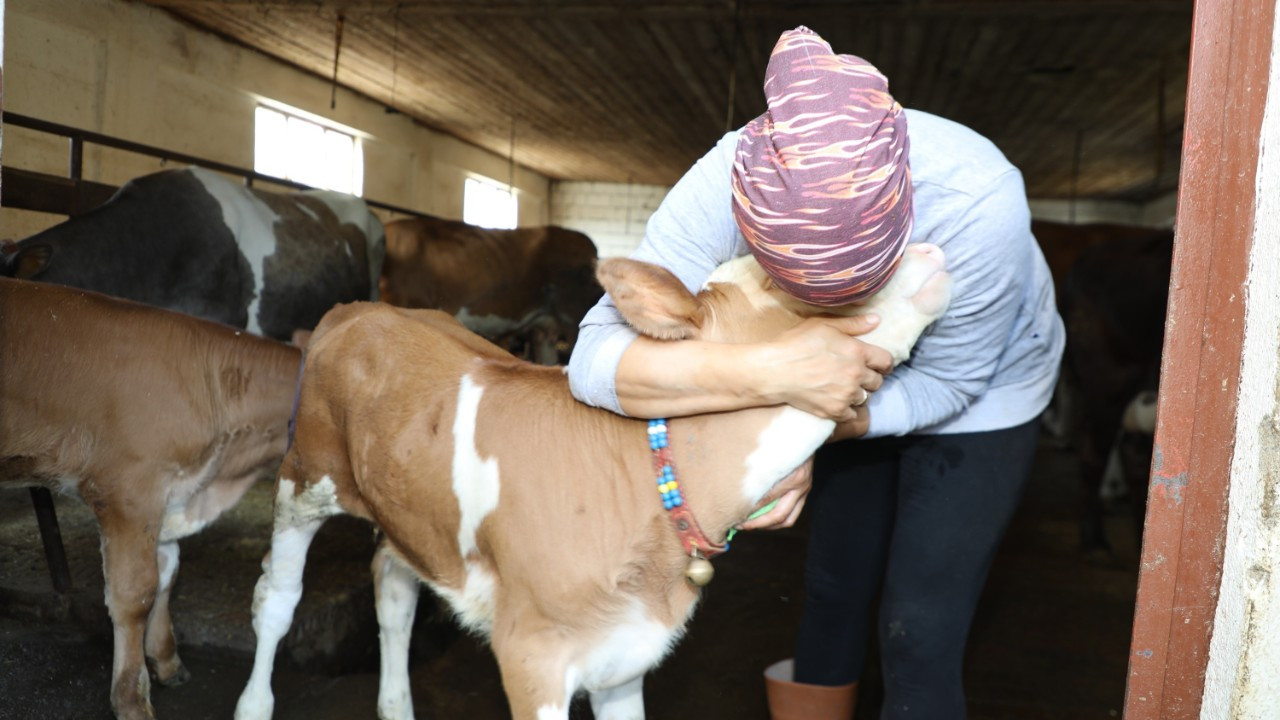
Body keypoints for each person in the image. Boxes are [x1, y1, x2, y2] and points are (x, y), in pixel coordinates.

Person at [567, 25, 1064, 720]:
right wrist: (774, 376)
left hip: (982, 394)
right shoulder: (725, 176)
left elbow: (950, 385)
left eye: (859, 286)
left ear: (905, 218)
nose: (834, 309)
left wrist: (818, 427)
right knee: (834, 586)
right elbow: (592, 363)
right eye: (802, 293)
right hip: (810, 378)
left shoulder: (979, 199)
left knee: (919, 626)